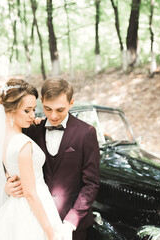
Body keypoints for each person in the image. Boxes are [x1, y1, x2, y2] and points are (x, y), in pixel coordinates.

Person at [0, 79, 64, 240]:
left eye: (33, 109)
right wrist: (50, 233)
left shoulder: (2, 140)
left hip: (16, 207)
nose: (32, 116)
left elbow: (9, 172)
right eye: (27, 111)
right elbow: (31, 193)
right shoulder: (22, 144)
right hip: (33, 208)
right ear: (10, 110)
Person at [5, 77, 100, 240]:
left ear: (71, 103)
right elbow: (11, 158)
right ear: (41, 101)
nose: (53, 115)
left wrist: (71, 222)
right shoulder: (31, 129)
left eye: (60, 110)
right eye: (48, 109)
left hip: (73, 227)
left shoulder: (86, 133)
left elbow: (91, 184)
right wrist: (7, 184)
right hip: (35, 220)